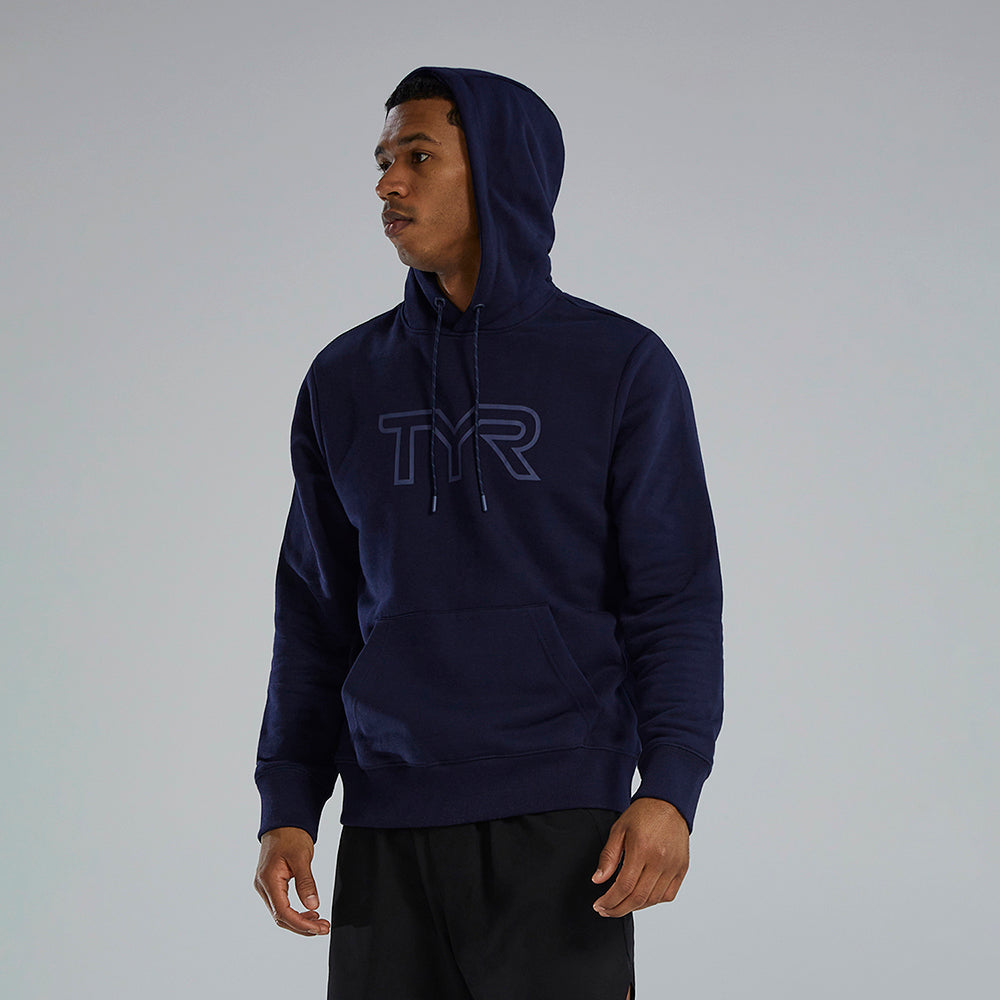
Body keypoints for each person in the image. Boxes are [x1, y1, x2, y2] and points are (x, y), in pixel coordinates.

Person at [253, 66, 724, 1000]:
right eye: (382, 161)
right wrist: (289, 801)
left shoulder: (621, 366)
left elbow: (673, 599)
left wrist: (671, 788)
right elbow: (313, 610)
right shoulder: (343, 379)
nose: (388, 183)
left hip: (562, 821)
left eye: (419, 157)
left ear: (502, 171)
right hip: (387, 819)